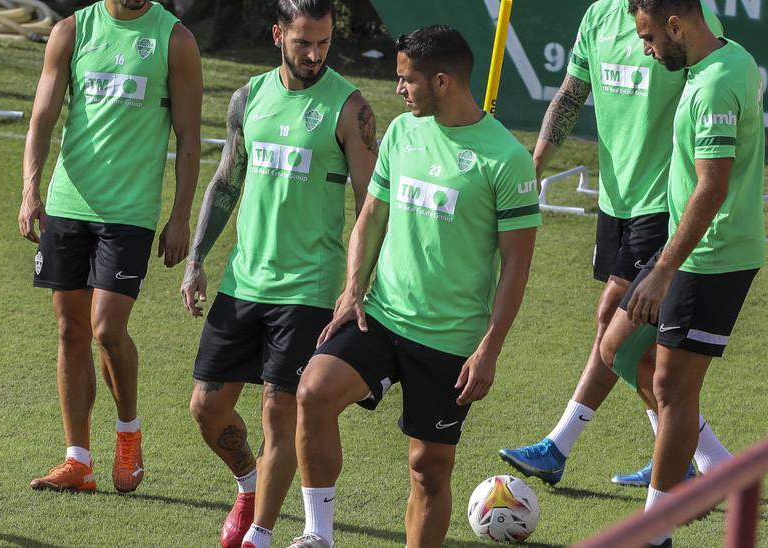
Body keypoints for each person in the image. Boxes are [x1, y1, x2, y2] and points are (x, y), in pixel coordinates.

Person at [287, 26, 540, 548]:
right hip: (379, 316)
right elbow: (371, 218)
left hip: (450, 340)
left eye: (407, 80)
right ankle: (317, 535)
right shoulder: (402, 133)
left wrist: (489, 348)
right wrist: (353, 287)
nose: (399, 88)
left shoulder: (506, 160)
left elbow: (517, 265)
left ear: (442, 81)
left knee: (428, 469)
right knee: (312, 391)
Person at [498, 0, 731, 489]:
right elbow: (570, 94)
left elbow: (711, 95)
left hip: (663, 201)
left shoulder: (685, 18)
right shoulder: (597, 16)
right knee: (623, 339)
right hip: (615, 199)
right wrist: (534, 164)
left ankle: (701, 459)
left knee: (614, 322)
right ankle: (681, 455)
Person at [179, 0, 376, 545]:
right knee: (207, 407)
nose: (314, 55)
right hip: (243, 282)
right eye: (303, 42)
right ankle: (249, 482)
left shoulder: (349, 108)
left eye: (324, 43)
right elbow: (226, 182)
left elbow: (371, 207)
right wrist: (197, 260)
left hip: (309, 290)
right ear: (277, 35)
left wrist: (358, 286)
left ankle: (259, 533)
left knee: (277, 414)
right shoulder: (249, 97)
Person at [19, 0, 202, 493]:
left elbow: (188, 135)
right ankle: (77, 460)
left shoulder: (174, 40)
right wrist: (31, 190)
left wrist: (180, 215)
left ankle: (128, 435)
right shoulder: (71, 32)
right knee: (69, 330)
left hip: (130, 214)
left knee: (107, 328)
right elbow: (42, 116)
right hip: (68, 203)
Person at [600, 1, 766, 544]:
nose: (645, 50)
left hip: (712, 257)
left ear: (676, 26)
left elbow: (712, 186)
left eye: (648, 37)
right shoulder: (729, 58)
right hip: (684, 249)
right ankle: (716, 465)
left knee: (673, 386)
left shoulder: (717, 84)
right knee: (618, 349)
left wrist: (664, 269)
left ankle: (655, 531)